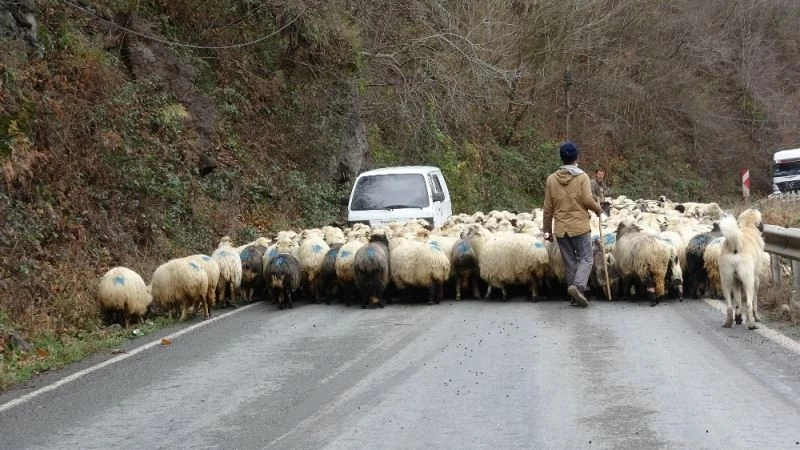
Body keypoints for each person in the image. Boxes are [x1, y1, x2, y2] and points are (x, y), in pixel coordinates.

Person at [542, 142, 604, 308]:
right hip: (580, 227)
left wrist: (547, 232)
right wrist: (598, 209)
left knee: (569, 262)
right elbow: (587, 200)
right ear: (576, 157)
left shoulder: (551, 179)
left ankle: (573, 297)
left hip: (561, 229)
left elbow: (547, 208)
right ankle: (578, 287)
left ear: (561, 158)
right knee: (586, 258)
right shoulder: (582, 177)